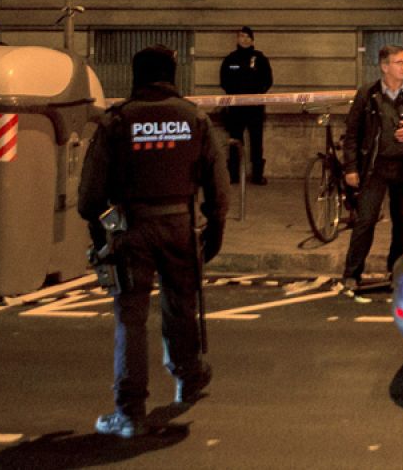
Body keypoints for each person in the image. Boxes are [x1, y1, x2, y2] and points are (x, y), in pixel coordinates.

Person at [77, 45, 228, 439]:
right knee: (181, 305)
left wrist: (101, 231)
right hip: (180, 223)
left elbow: (89, 197)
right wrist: (215, 228)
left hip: (132, 229)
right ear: (171, 74)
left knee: (131, 318)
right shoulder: (194, 117)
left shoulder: (117, 121)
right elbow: (218, 184)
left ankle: (129, 412)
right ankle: (188, 375)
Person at [339, 45, 403, 298]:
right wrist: (350, 168)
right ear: (385, 66)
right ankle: (352, 274)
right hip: (376, 168)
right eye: (398, 62)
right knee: (366, 220)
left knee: (402, 223)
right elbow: (352, 133)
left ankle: (395, 271)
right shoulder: (368, 94)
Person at [218, 26, 273, 186]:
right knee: (235, 141)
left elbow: (268, 80)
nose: (244, 39)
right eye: (242, 36)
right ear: (237, 39)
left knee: (256, 141)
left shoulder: (260, 58)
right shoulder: (230, 59)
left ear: (252, 40)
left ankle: (257, 175)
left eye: (248, 36)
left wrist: (258, 94)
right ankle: (233, 174)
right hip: (236, 108)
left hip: (255, 107)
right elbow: (224, 81)